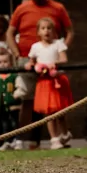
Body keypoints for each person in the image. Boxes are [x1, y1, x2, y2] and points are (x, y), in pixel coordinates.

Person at [7, 0, 74, 149]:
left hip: (51, 63)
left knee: (53, 102)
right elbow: (10, 32)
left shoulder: (57, 8)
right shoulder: (22, 8)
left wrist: (60, 50)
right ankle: (22, 138)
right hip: (28, 59)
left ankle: (49, 138)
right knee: (28, 99)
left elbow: (70, 31)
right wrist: (17, 54)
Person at [28, 17, 73, 149]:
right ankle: (54, 139)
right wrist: (32, 65)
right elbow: (31, 62)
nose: (46, 31)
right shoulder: (35, 47)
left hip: (57, 80)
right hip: (44, 82)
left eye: (49, 28)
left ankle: (65, 133)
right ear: (38, 32)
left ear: (54, 31)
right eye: (43, 28)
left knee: (61, 112)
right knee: (49, 113)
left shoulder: (58, 44)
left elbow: (64, 59)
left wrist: (54, 64)